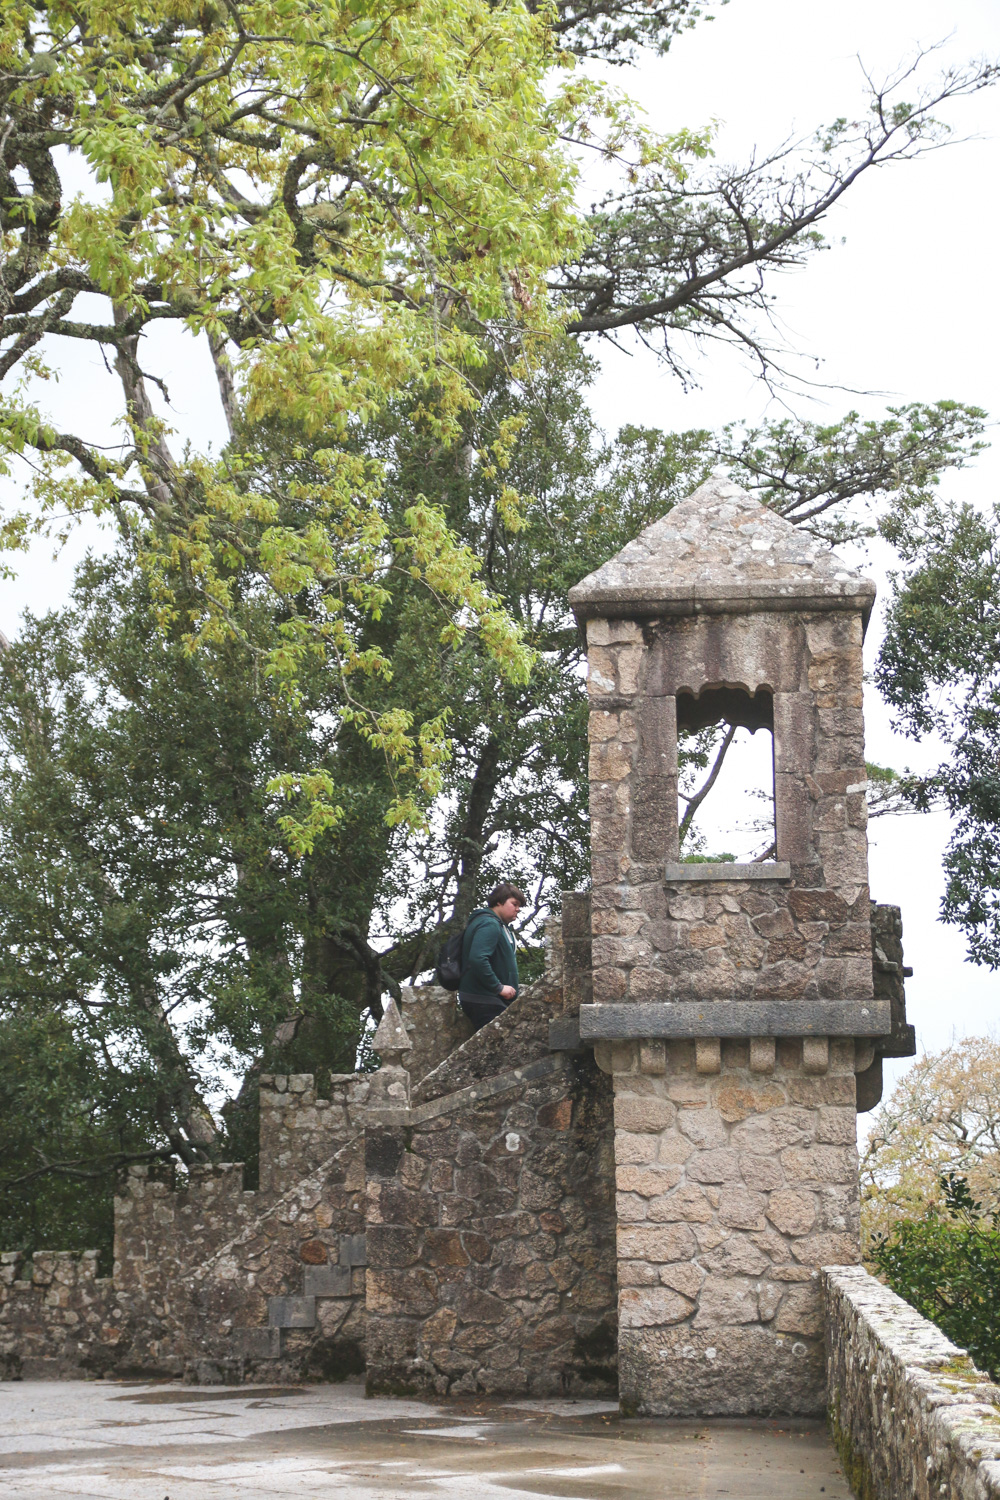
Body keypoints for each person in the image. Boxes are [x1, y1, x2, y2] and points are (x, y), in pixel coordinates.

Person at [458, 883, 526, 1032]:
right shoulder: (489, 924)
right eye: (514, 904)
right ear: (499, 902)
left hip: (490, 1000)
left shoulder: (500, 926)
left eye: (519, 906)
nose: (518, 909)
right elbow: (478, 958)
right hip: (484, 999)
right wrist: (498, 987)